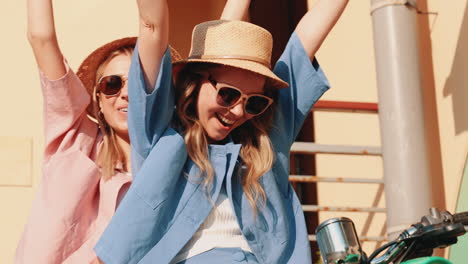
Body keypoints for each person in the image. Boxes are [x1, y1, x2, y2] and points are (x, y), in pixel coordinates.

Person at [95, 0, 348, 263]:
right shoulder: (162, 136)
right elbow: (152, 24)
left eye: (254, 102)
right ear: (196, 81)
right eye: (228, 95)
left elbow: (306, 39)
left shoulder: (265, 138)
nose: (238, 112)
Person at [15, 0, 183, 263]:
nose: (126, 94)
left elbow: (153, 25)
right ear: (98, 100)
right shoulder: (73, 142)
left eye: (137, 86)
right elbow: (41, 38)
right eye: (112, 84)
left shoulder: (174, 158)